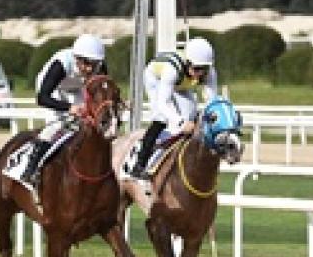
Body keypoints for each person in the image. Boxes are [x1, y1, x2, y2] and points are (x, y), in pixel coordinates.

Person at [20, 33, 108, 186]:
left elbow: (103, 92)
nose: (89, 69)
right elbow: (42, 98)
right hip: (53, 90)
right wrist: (69, 107)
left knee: (93, 125)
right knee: (56, 126)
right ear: (76, 59)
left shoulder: (100, 67)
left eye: (94, 64)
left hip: (76, 89)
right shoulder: (61, 64)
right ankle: (31, 169)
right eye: (86, 63)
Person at [129, 36, 218, 183]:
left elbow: (211, 101)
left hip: (180, 84)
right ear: (187, 63)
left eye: (204, 70)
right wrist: (181, 122)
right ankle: (140, 164)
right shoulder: (172, 69)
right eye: (196, 69)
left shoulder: (209, 72)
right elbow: (164, 104)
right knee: (161, 118)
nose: (200, 74)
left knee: (191, 113)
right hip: (156, 78)